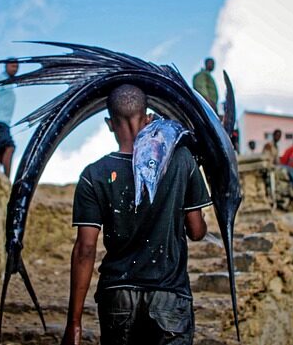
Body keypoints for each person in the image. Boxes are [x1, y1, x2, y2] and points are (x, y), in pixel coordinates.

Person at [62, 84, 211, 345]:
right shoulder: (182, 160)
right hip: (169, 297)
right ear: (149, 119)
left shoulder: (93, 174)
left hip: (117, 298)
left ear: (110, 123)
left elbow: (85, 249)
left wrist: (74, 323)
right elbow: (197, 232)